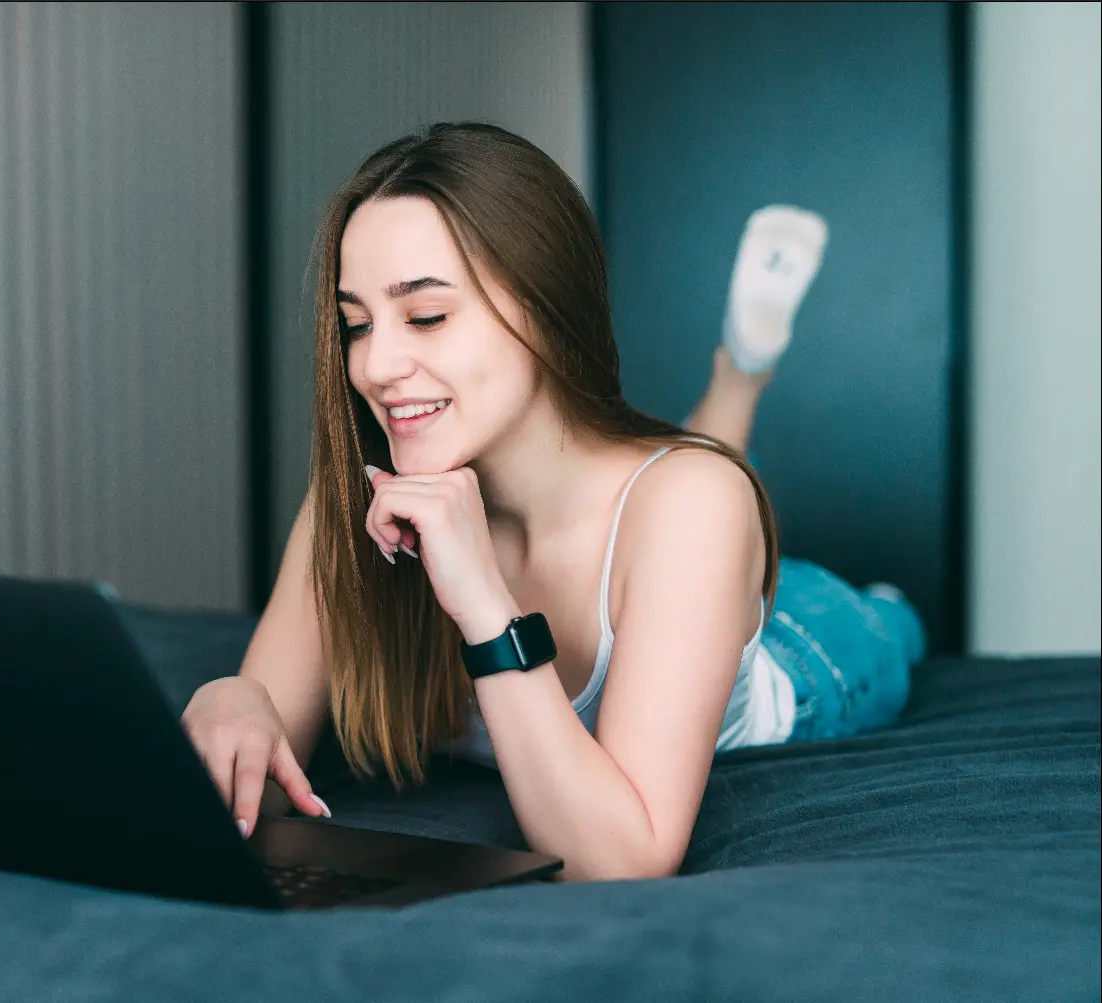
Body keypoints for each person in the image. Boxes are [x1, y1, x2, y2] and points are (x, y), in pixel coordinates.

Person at [182, 123, 924, 882]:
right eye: (357, 324)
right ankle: (737, 390)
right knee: (707, 497)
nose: (375, 364)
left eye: (427, 316)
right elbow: (257, 782)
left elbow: (623, 859)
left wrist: (482, 603)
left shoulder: (688, 507)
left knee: (867, 604)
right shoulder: (358, 497)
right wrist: (229, 698)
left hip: (807, 644)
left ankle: (740, 374)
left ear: (544, 305)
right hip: (674, 541)